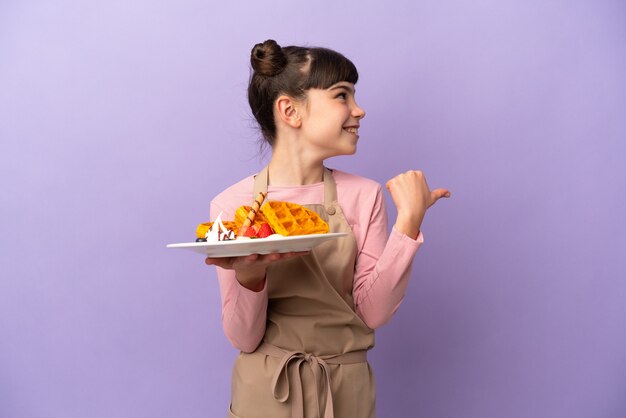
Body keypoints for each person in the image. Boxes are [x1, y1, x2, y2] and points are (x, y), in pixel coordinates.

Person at [205, 39, 450, 418]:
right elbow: (243, 337)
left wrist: (409, 223)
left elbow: (373, 314)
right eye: (342, 95)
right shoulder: (232, 205)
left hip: (345, 390)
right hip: (267, 391)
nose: (359, 109)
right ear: (290, 110)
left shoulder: (364, 195)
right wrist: (250, 275)